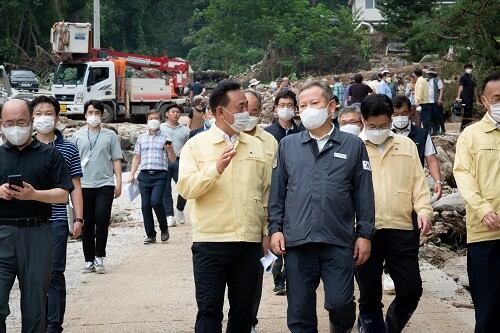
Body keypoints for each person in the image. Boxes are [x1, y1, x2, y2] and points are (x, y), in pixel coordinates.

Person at [268, 81, 375, 333]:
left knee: (341, 302)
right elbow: (278, 193)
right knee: (299, 310)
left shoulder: (352, 145)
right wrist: (275, 228)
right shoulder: (288, 146)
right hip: (298, 240)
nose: (306, 110)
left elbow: (364, 194)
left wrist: (365, 234)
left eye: (313, 103)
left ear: (330, 107)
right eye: (302, 105)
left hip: (338, 240)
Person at [177, 80, 270, 333]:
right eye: (241, 107)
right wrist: (215, 169)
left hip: (248, 243)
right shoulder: (195, 146)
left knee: (242, 312)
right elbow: (185, 189)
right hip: (211, 243)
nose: (246, 112)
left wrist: (265, 231)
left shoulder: (255, 146)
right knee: (209, 310)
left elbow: (264, 194)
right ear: (221, 112)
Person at [356, 94, 432, 333]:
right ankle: (371, 326)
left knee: (411, 289)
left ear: (391, 120)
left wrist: (424, 211)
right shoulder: (353, 148)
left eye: (383, 125)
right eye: (372, 126)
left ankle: (391, 325)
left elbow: (419, 183)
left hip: (402, 227)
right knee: (369, 292)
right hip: (366, 230)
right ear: (363, 121)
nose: (378, 130)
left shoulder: (406, 145)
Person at [0, 99, 74, 332]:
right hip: (2, 233)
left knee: (34, 307)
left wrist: (34, 194)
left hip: (37, 234)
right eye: (9, 123)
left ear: (31, 121)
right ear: (1, 124)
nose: (16, 127)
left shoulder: (50, 154)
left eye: (21, 122)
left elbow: (63, 194)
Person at [30, 96, 84, 333]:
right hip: (29, 221)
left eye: (48, 113)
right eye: (39, 113)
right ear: (31, 117)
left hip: (58, 219)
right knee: (33, 274)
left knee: (54, 272)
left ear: (57, 117)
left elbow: (76, 185)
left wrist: (79, 219)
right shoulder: (23, 148)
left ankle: (53, 325)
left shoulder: (68, 148)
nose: (43, 118)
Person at [453, 72, 500, 333]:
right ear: (484, 100)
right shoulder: (471, 136)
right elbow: (463, 175)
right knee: (489, 304)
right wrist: (482, 209)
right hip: (485, 233)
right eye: (497, 98)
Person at [71, 100, 123, 274]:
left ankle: (100, 256)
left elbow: (116, 158)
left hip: (105, 184)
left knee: (102, 219)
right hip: (83, 185)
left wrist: (119, 182)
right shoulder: (77, 135)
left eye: (97, 113)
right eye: (90, 112)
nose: (93, 116)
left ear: (102, 115)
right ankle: (88, 259)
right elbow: (72, 162)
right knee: (87, 222)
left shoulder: (110, 135)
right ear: (85, 114)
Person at [243, 89, 278, 333]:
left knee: (253, 279)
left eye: (253, 111)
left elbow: (275, 188)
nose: (248, 115)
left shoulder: (270, 142)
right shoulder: (225, 139)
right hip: (229, 224)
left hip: (258, 222)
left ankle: (249, 321)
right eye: (243, 109)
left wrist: (270, 228)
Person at [129, 110, 176, 244]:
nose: (153, 120)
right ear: (147, 121)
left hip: (160, 175)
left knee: (156, 202)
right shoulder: (141, 138)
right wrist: (132, 174)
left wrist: (170, 150)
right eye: (151, 118)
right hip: (144, 175)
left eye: (156, 118)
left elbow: (172, 160)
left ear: (160, 120)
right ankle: (151, 234)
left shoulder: (166, 137)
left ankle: (164, 228)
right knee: (145, 206)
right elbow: (137, 157)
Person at [160, 104, 191, 227]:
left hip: (180, 161)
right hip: (163, 161)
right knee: (166, 190)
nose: (176, 114)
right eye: (173, 111)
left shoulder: (185, 130)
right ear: (167, 113)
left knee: (185, 187)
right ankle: (169, 215)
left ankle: (180, 208)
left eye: (178, 112)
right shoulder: (161, 128)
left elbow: (190, 146)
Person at [457, 63, 481, 129]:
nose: (469, 69)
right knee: (465, 111)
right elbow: (461, 87)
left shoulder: (472, 78)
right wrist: (458, 97)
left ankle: (468, 126)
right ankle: (463, 126)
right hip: (465, 96)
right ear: (465, 69)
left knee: (470, 111)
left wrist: (477, 100)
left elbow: (475, 89)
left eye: (470, 68)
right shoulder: (463, 77)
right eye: (467, 68)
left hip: (470, 97)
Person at [427, 67, 445, 134]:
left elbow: (441, 89)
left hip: (436, 101)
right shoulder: (428, 81)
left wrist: (440, 99)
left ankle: (442, 129)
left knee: (439, 115)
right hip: (430, 101)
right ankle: (434, 130)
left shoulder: (438, 80)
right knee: (431, 116)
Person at [414, 68, 433, 134]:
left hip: (422, 102)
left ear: (415, 75)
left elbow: (420, 91)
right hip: (426, 100)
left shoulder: (419, 81)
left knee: (423, 117)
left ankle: (426, 131)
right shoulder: (424, 80)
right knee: (426, 116)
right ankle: (428, 130)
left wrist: (418, 101)